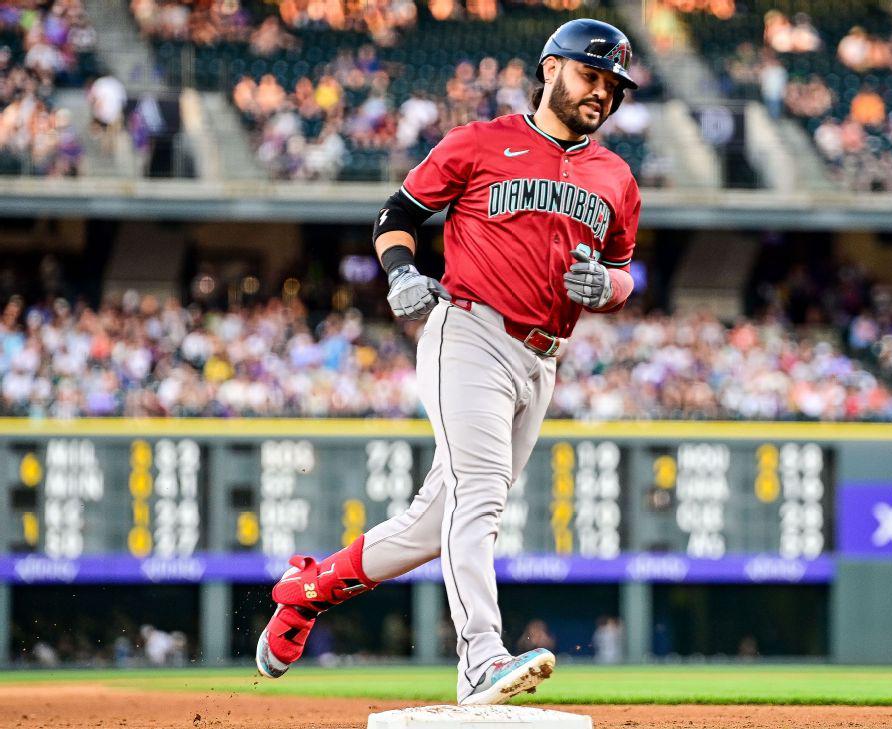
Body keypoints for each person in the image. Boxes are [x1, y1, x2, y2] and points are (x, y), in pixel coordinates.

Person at [254, 19, 642, 706]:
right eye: (592, 75)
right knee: (483, 494)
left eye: (614, 86)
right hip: (470, 333)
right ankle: (481, 658)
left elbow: (622, 271)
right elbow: (396, 213)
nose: (603, 93)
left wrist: (608, 288)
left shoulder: (615, 175)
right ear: (551, 68)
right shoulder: (481, 141)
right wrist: (401, 270)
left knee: (435, 524)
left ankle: (306, 589)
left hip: (542, 361)